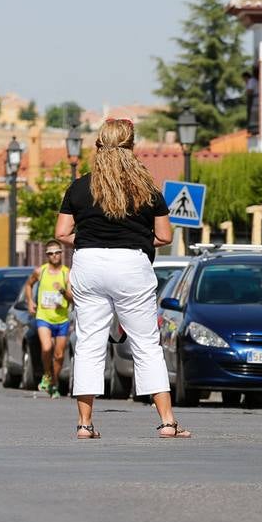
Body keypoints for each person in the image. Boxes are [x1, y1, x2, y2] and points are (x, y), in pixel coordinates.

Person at [55, 118, 191, 439]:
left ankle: (85, 424)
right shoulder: (147, 189)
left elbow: (62, 233)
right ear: (131, 147)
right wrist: (136, 238)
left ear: (99, 146)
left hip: (89, 264)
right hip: (132, 265)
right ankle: (167, 422)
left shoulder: (79, 187)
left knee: (89, 343)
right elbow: (164, 236)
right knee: (146, 343)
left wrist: (89, 239)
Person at [22, 240, 73, 397]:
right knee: (46, 348)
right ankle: (47, 374)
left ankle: (54, 382)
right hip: (43, 317)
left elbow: (73, 298)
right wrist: (30, 301)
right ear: (46, 255)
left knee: (59, 355)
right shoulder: (40, 271)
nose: (54, 256)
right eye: (50, 253)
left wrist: (63, 291)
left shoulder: (67, 273)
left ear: (61, 253)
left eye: (57, 252)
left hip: (62, 319)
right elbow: (28, 285)